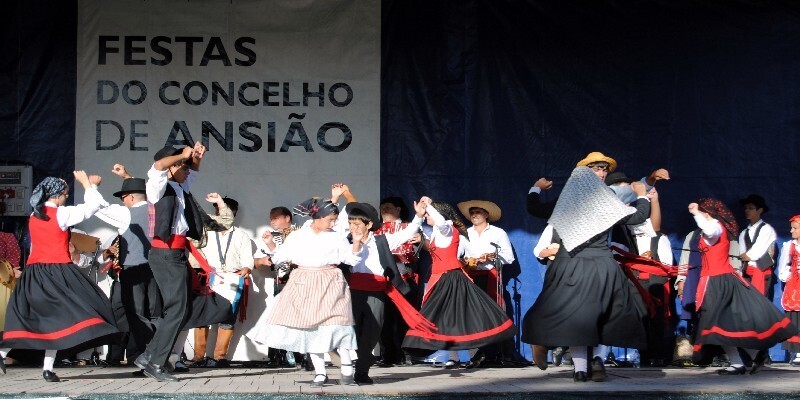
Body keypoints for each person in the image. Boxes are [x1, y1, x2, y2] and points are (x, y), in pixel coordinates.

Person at [523, 167, 650, 382]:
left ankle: (578, 368)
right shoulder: (605, 201)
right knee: (605, 314)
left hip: (567, 265)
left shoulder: (564, 201)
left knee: (572, 316)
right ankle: (597, 360)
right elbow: (639, 215)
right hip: (600, 264)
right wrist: (642, 194)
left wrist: (536, 187)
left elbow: (534, 208)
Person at [0, 172, 120, 382]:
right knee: (84, 306)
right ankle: (46, 367)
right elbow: (92, 207)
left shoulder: (34, 215)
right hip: (56, 272)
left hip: (35, 273)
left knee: (41, 319)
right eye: (65, 194)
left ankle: (33, 364)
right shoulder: (61, 214)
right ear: (56, 195)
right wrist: (88, 185)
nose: (66, 197)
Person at [254, 197, 359, 387]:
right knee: (309, 327)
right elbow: (280, 257)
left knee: (339, 323)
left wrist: (357, 243)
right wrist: (270, 243)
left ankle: (346, 364)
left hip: (331, 280)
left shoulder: (336, 236)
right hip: (304, 281)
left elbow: (350, 259)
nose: (333, 223)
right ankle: (320, 372)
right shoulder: (298, 236)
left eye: (335, 219)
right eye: (330, 219)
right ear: (317, 217)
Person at [688, 198, 797, 375]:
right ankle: (744, 359)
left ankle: (747, 358)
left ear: (708, 212)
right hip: (714, 280)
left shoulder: (715, 226)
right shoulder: (715, 228)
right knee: (723, 326)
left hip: (720, 281)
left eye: (703, 211)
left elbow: (710, 231)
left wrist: (696, 214)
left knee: (719, 324)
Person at [402, 198, 516, 356]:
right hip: (450, 276)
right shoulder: (452, 232)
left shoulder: (448, 228)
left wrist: (428, 206)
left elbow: (444, 226)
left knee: (465, 315)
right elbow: (456, 252)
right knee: (450, 316)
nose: (427, 216)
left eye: (478, 212)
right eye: (472, 212)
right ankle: (443, 353)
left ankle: (483, 354)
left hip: (461, 277)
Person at [135, 142, 206, 382]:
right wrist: (180, 155)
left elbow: (193, 171)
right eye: (182, 166)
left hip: (175, 253)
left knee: (180, 308)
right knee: (176, 308)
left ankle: (149, 356)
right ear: (172, 167)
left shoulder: (179, 185)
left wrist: (195, 157)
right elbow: (156, 167)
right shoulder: (158, 186)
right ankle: (155, 361)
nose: (187, 170)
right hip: (165, 252)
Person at [343, 198, 431, 383]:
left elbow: (407, 233)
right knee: (351, 331)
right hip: (352, 292)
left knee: (372, 331)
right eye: (351, 223)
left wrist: (419, 216)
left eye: (357, 223)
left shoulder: (381, 240)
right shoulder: (346, 241)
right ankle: (353, 365)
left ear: (368, 224)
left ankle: (361, 370)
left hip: (376, 290)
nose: (354, 227)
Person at [94, 169, 162, 372]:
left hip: (133, 268)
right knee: (155, 313)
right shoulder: (156, 209)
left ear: (130, 197)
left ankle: (144, 358)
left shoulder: (126, 213)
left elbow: (99, 208)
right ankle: (159, 356)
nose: (123, 202)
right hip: (157, 268)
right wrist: (127, 177)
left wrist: (91, 187)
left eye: (124, 198)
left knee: (137, 314)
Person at [191, 197, 254, 368]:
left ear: (233, 213)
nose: (220, 213)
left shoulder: (241, 235)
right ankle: (198, 357)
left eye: (224, 210)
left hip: (232, 278)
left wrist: (247, 268)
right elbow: (197, 252)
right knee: (203, 316)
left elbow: (248, 258)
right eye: (218, 210)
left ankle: (220, 357)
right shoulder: (207, 232)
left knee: (228, 317)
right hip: (209, 277)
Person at [376, 196, 422, 367]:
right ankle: (388, 355)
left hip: (404, 279)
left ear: (398, 209)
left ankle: (408, 354)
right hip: (382, 281)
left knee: (405, 318)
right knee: (383, 319)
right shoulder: (375, 229)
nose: (385, 210)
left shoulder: (409, 228)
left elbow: (413, 254)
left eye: (388, 207)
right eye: (382, 207)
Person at [738, 194, 777, 299]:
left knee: (760, 302)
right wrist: (746, 255)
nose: (747, 210)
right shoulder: (744, 233)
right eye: (746, 208)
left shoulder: (766, 229)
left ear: (760, 210)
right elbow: (742, 255)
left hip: (761, 270)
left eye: (751, 208)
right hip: (747, 272)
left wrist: (748, 255)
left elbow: (756, 253)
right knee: (747, 302)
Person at [776, 215, 800, 365]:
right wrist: (788, 275)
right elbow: (783, 267)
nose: (791, 231)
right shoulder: (788, 246)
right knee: (796, 321)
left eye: (795, 228)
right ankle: (798, 353)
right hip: (795, 288)